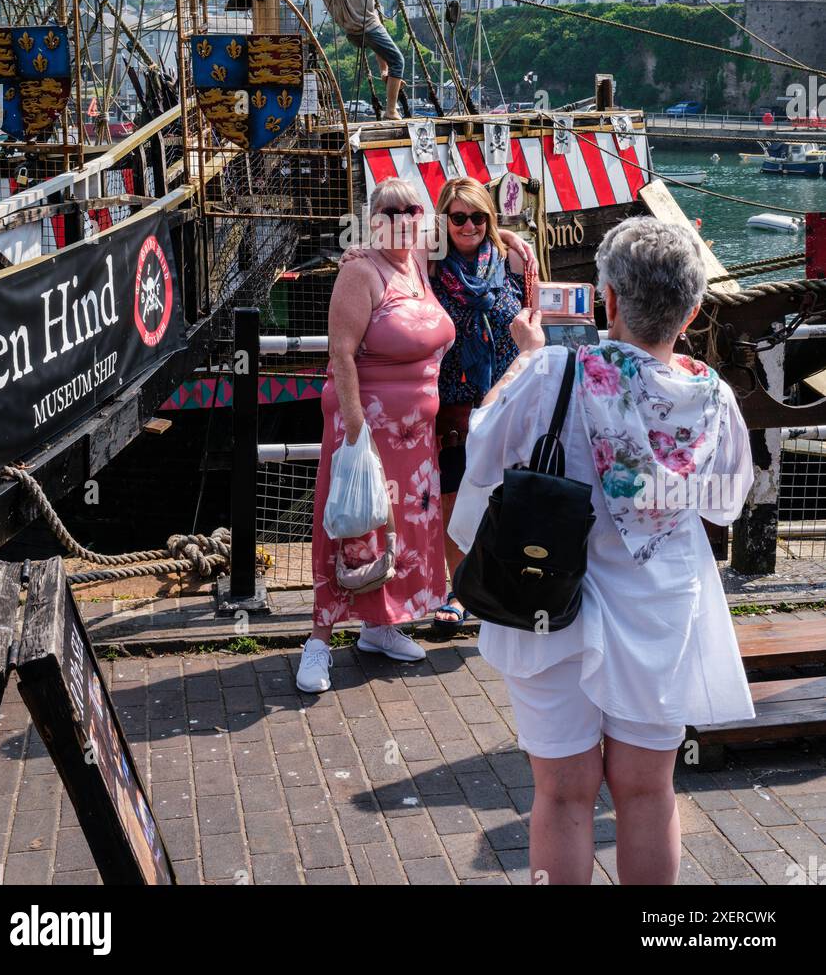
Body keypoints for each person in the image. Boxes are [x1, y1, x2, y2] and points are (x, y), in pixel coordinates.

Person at [449, 216, 756, 886]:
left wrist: (526, 358)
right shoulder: (714, 399)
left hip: (548, 600)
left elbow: (482, 452)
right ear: (693, 309)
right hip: (661, 605)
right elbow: (728, 504)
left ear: (607, 299)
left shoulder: (556, 371)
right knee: (648, 794)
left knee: (562, 794)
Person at [297, 178, 456, 693]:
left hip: (416, 437)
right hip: (367, 428)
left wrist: (516, 244)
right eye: (389, 212)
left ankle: (380, 626)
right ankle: (318, 642)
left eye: (411, 211)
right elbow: (341, 354)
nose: (402, 220)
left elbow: (477, 228)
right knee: (352, 527)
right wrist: (355, 429)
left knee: (399, 535)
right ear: (373, 219)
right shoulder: (360, 271)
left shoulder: (417, 264)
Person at [429, 177, 539, 636]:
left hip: (509, 397)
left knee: (508, 497)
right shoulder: (430, 266)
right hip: (454, 402)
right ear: (444, 220)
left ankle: (502, 585)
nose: (469, 225)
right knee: (454, 498)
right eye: (458, 217)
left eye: (478, 216)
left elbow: (537, 318)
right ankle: (457, 590)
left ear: (490, 218)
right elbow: (385, 255)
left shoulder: (514, 258)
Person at [319, 0, 404, 119]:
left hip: (352, 35)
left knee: (376, 35)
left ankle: (383, 71)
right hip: (369, 29)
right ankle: (391, 110)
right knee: (398, 61)